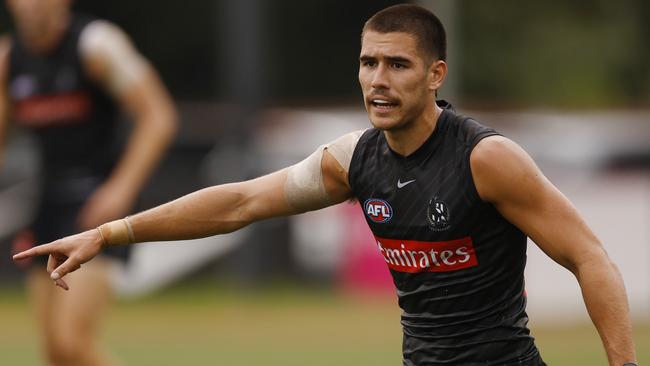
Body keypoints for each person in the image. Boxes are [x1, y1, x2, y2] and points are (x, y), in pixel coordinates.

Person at [13, 4, 637, 366]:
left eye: (398, 64)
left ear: (435, 74)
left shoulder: (487, 159)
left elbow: (589, 256)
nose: (378, 79)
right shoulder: (353, 160)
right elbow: (238, 202)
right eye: (369, 62)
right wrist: (110, 231)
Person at [1, 0, 178, 364]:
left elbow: (158, 117)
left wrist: (121, 188)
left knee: (71, 342)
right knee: (55, 353)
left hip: (97, 205)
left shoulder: (96, 44)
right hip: (47, 206)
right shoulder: (10, 60)